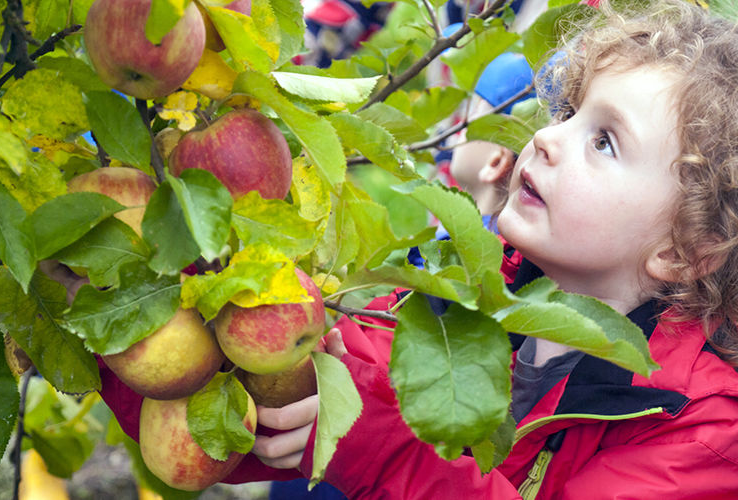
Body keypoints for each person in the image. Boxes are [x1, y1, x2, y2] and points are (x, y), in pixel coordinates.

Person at [99, 0, 738, 497]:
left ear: (683, 253)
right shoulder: (459, 303)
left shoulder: (705, 428)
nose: (547, 138)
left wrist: (376, 447)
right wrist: (128, 313)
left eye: (605, 141)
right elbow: (264, 420)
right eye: (568, 111)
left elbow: (369, 442)